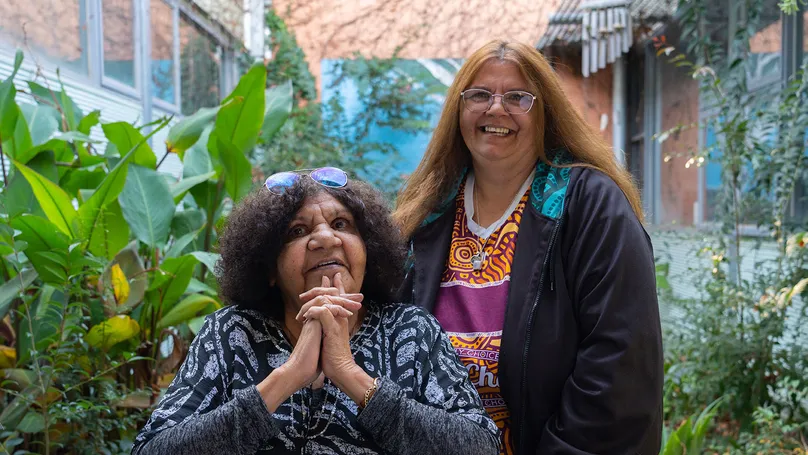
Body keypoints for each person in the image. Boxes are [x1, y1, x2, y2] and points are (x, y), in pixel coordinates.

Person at [393, 41, 663, 454]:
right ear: (458, 111)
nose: (495, 109)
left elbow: (619, 363)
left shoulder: (590, 205)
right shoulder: (426, 213)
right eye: (479, 95)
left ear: (544, 113)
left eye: (518, 97)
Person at [132, 167, 500, 455]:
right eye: (296, 231)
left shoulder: (410, 330)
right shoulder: (231, 333)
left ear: (367, 250)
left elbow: (480, 446)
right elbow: (152, 449)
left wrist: (350, 375)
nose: (326, 238)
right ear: (269, 269)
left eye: (341, 224)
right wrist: (289, 376)